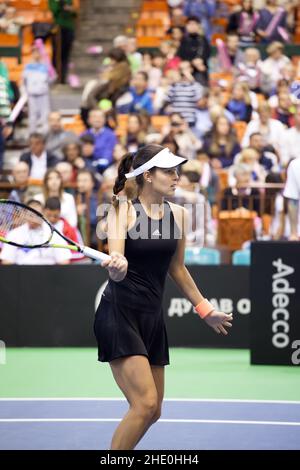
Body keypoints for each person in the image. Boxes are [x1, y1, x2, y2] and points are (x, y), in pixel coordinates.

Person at [95, 144, 233, 450]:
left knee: (154, 410)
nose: (176, 177)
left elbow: (177, 268)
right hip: (120, 313)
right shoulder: (122, 211)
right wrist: (117, 266)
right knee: (144, 404)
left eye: (176, 170)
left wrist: (204, 308)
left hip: (152, 317)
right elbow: (115, 263)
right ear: (147, 176)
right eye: (168, 171)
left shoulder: (180, 215)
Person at [0, 199, 71, 265]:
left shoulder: (55, 234)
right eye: (30, 215)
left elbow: (64, 261)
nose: (34, 218)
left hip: (49, 274)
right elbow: (7, 261)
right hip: (22, 275)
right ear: (24, 214)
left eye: (37, 214)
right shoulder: (14, 234)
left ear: (43, 213)